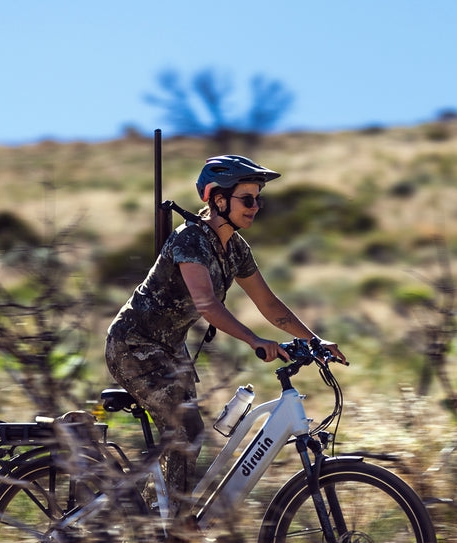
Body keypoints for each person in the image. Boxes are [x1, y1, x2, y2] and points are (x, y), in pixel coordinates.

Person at [104, 154, 345, 521]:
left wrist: (314, 341)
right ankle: (174, 528)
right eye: (246, 199)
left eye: (258, 199)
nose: (255, 207)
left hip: (170, 351)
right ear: (218, 200)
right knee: (186, 428)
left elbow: (268, 303)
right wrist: (254, 340)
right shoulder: (190, 240)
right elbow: (206, 304)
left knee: (184, 438)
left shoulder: (235, 248)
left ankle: (156, 521)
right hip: (132, 345)